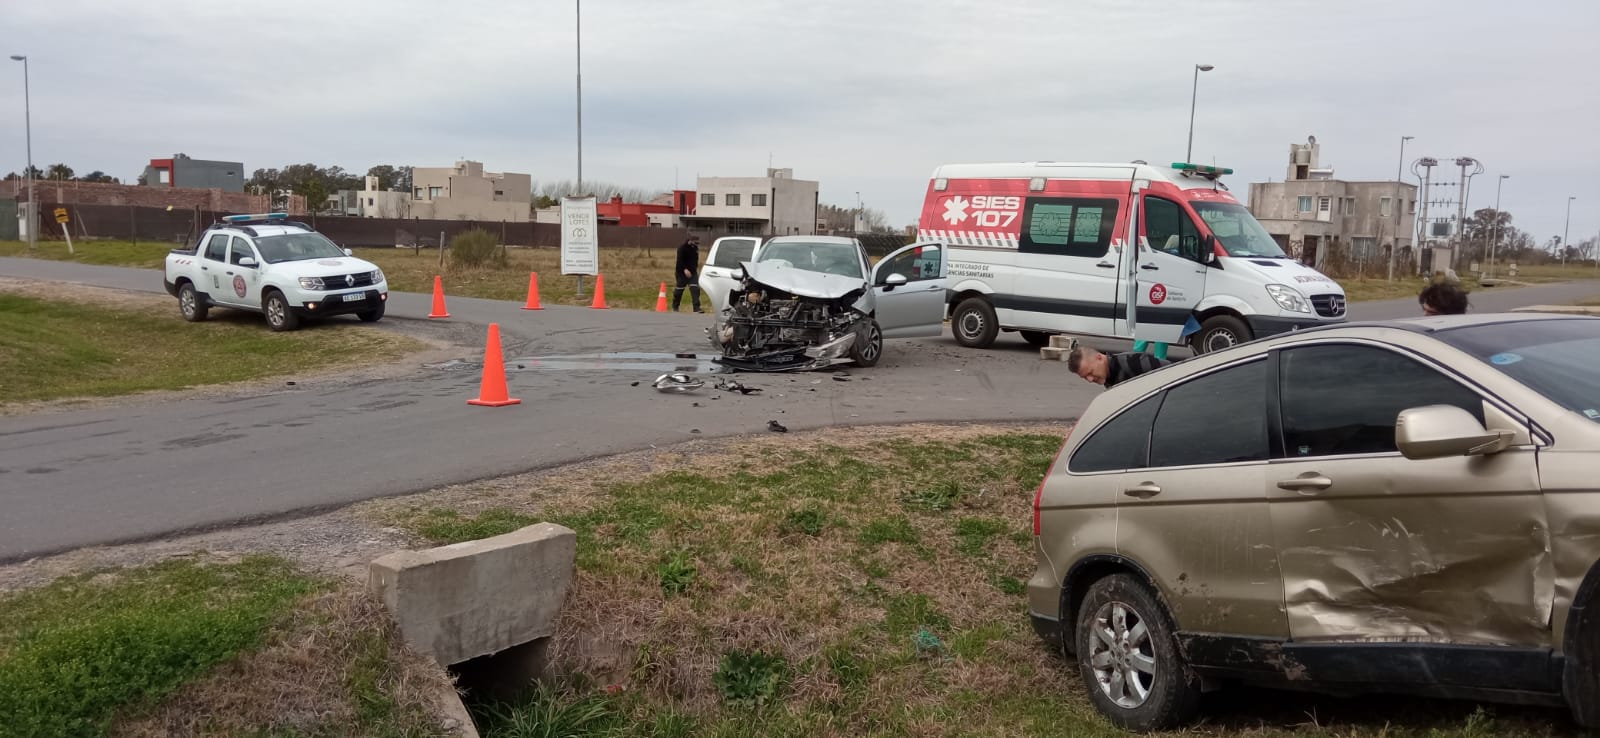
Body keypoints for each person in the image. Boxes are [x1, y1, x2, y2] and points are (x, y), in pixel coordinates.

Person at [1067, 345, 1174, 388]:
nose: (1090, 380)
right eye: (1085, 377)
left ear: (1099, 358)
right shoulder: (1110, 379)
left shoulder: (1132, 363)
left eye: (1090, 372)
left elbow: (1176, 373)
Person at [673, 234, 703, 313]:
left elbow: (694, 261)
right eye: (695, 243)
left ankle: (696, 308)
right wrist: (685, 269)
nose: (697, 245)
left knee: (695, 289)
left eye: (698, 243)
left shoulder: (695, 249)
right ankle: (675, 306)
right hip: (681, 273)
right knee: (679, 290)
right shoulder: (682, 248)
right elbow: (680, 261)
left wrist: (695, 270)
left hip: (693, 273)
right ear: (690, 241)